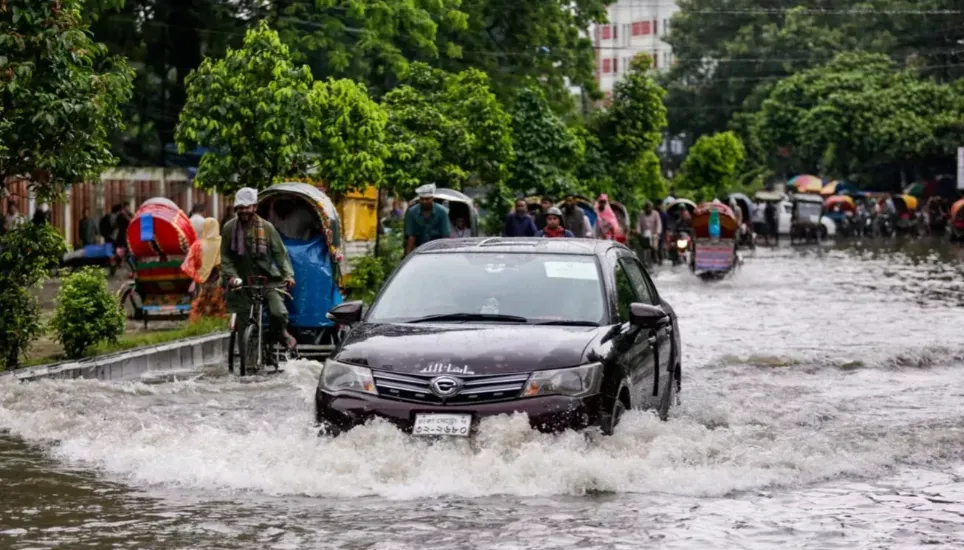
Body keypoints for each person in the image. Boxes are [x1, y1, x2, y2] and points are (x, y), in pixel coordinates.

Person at [221, 187, 297, 352]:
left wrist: (288, 275)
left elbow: (280, 254)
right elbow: (225, 258)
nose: (244, 211)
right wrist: (232, 277)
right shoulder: (228, 228)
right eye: (240, 208)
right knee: (242, 320)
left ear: (254, 207)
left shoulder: (267, 228)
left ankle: (283, 334)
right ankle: (246, 357)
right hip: (242, 281)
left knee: (278, 312)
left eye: (247, 207)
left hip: (268, 280)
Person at [182, 217, 227, 324]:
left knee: (199, 306)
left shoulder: (197, 245)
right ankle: (217, 324)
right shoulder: (222, 242)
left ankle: (198, 325)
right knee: (218, 305)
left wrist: (197, 275)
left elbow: (188, 263)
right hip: (217, 280)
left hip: (201, 282)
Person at [404, 183, 451, 255]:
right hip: (419, 250)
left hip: (437, 250)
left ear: (432, 198)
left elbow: (445, 236)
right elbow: (411, 237)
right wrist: (408, 256)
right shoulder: (412, 212)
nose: (424, 201)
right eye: (422, 199)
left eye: (427, 199)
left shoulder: (442, 212)